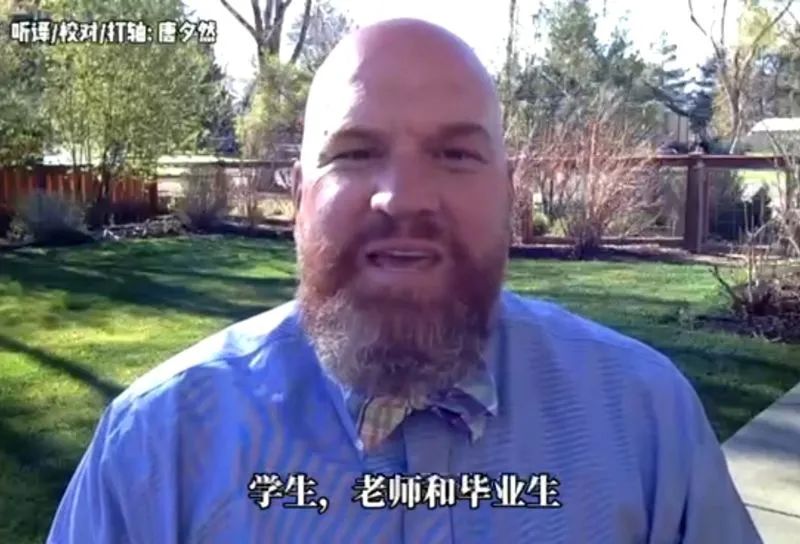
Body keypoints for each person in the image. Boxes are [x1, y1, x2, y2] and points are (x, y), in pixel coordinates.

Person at [48, 18, 761, 543]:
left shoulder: (645, 422)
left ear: (508, 193)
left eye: (455, 154)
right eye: (356, 153)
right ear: (299, 197)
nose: (405, 197)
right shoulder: (158, 447)